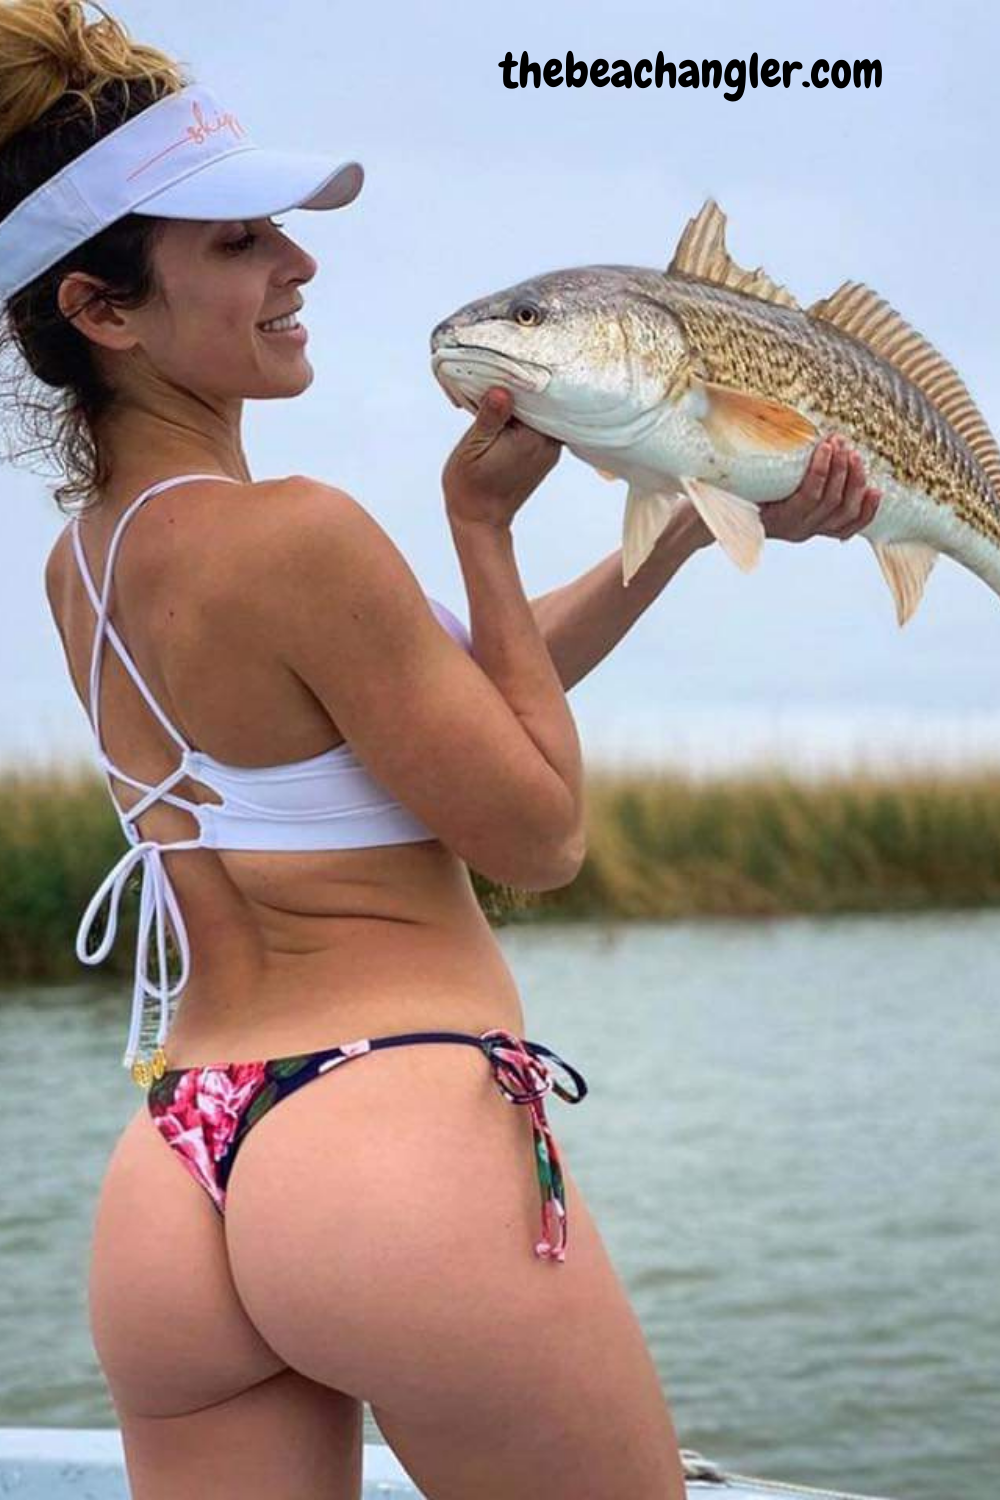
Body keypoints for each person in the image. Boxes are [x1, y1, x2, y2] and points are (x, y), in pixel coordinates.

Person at [7, 3, 882, 1497]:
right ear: (104, 310)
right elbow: (534, 830)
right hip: (389, 1142)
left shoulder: (90, 563)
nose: (301, 266)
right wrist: (482, 523)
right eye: (240, 246)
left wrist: (672, 526)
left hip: (181, 1160)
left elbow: (451, 704)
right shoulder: (301, 538)